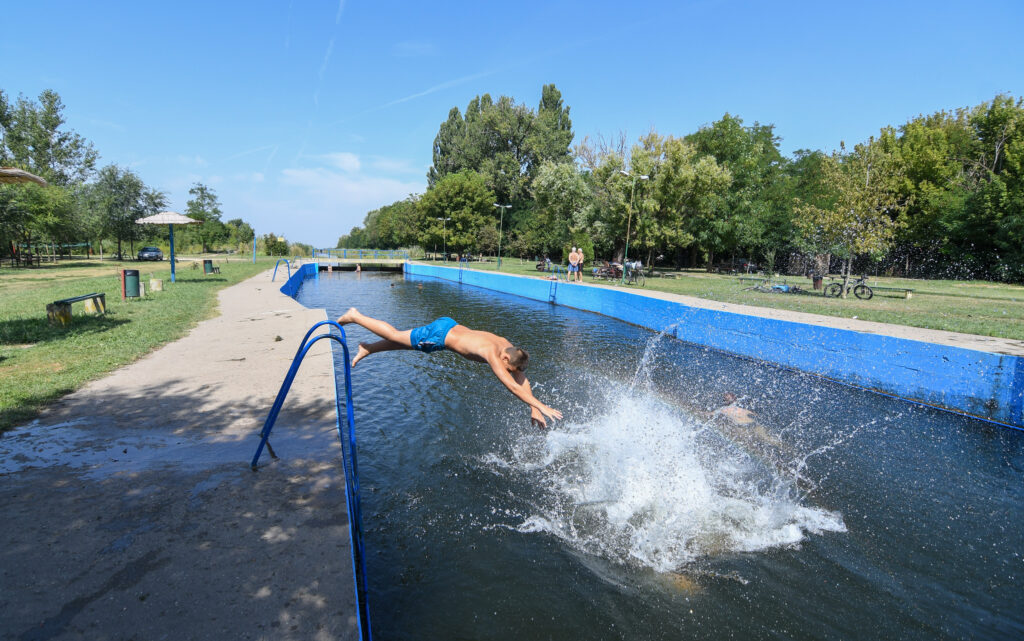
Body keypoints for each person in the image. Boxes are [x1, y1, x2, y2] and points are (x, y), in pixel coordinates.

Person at [337, 307, 563, 428]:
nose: (510, 373)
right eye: (509, 369)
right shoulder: (492, 355)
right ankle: (356, 316)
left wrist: (532, 408)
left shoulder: (507, 346)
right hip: (440, 335)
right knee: (396, 335)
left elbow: (521, 378)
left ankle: (368, 348)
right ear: (505, 360)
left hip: (449, 325)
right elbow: (513, 388)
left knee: (408, 344)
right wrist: (542, 406)